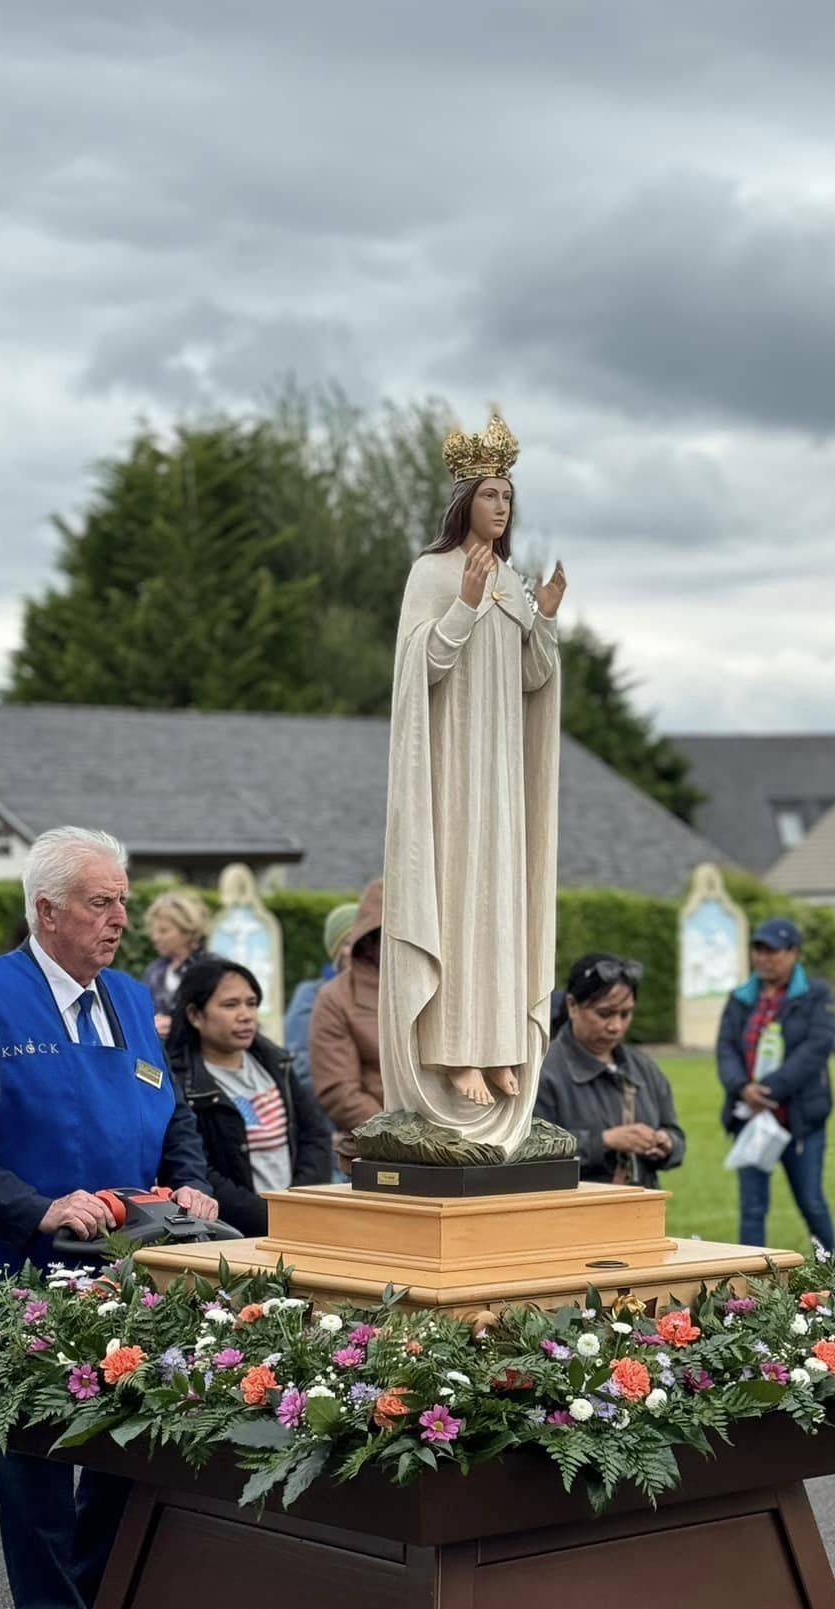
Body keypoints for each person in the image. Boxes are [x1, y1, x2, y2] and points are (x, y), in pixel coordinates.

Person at [0, 827, 217, 1609]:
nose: (120, 917)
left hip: (133, 1269)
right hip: (17, 1272)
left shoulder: (127, 996)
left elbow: (175, 1115)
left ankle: (90, 1604)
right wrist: (37, 1207)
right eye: (101, 902)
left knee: (128, 1449)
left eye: (123, 900)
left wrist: (190, 1186)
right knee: (37, 1462)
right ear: (45, 912)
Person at [380, 411, 565, 1155]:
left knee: (498, 912)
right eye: (491, 494)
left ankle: (494, 1046)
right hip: (450, 774)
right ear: (465, 501)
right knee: (457, 904)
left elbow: (531, 680)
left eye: (509, 497)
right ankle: (452, 1051)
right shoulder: (433, 574)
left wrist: (542, 622)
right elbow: (417, 668)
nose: (502, 507)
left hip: (500, 779)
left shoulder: (513, 582)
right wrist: (462, 603)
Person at [169, 957, 333, 1233]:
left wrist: (298, 1205)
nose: (246, 1015)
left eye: (252, 1003)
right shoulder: (183, 1082)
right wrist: (269, 1217)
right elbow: (201, 1169)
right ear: (195, 1015)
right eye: (230, 1005)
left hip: (299, 1221)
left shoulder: (276, 1064)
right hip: (235, 1233)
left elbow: (315, 1136)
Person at [716, 917, 835, 1253]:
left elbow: (816, 1049)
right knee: (752, 1209)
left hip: (800, 1120)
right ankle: (750, 1294)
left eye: (773, 950)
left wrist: (767, 1089)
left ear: (794, 953)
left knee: (811, 1202)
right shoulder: (741, 998)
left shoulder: (815, 995)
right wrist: (743, 1087)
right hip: (751, 1119)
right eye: (759, 949)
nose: (764, 957)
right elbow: (726, 1048)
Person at [534, 954, 684, 1188]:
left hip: (643, 1211)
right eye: (604, 1014)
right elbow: (530, 1151)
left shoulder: (643, 1067)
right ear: (572, 1006)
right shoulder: (543, 1073)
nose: (616, 1026)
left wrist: (667, 1143)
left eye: (625, 1014)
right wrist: (604, 1141)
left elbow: (675, 1133)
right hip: (573, 1213)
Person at [309, 880, 385, 1169]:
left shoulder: (446, 990)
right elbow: (339, 1091)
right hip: (381, 1158)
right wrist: (406, 1141)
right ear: (370, 939)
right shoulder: (337, 998)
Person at [284, 900, 358, 1085]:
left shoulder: (386, 999)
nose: (359, 951)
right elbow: (302, 1068)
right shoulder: (310, 995)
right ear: (336, 952)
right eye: (349, 943)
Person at [141, 888, 210, 1038]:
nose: (155, 938)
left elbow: (220, 1021)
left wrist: (178, 1025)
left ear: (187, 931)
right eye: (154, 931)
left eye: (163, 931)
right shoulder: (154, 971)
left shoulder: (211, 969)